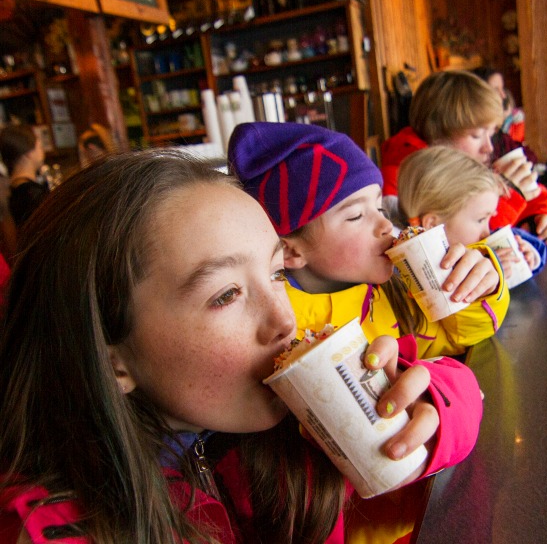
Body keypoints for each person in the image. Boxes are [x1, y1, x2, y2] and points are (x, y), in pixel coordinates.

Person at [0, 150, 485, 544]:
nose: (285, 319)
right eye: (227, 294)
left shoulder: (290, 433)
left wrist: (430, 403)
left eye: (276, 275)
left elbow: (457, 394)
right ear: (112, 360)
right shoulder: (53, 526)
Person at [228, 122, 509, 362]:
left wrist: (478, 289)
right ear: (290, 251)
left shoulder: (400, 290)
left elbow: (456, 338)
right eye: (357, 215)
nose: (386, 225)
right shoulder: (281, 334)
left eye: (380, 208)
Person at [380, 70, 547, 249]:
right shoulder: (402, 179)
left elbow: (546, 197)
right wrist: (510, 197)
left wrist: (545, 218)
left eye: (491, 134)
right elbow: (427, 252)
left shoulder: (468, 166)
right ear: (437, 136)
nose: (489, 147)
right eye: (476, 135)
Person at [396, 147, 547, 280]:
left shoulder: (477, 244)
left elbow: (535, 244)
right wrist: (487, 275)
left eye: (489, 219)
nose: (487, 232)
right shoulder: (416, 275)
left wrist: (528, 253)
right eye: (481, 220)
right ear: (433, 224)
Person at [471, 66, 535, 161]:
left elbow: (529, 156)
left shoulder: (499, 133)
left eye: (502, 89)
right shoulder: (472, 131)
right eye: (496, 89)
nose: (503, 95)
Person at [0, 124, 49, 228]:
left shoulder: (8, 190)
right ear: (29, 153)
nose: (42, 151)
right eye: (39, 147)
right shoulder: (32, 194)